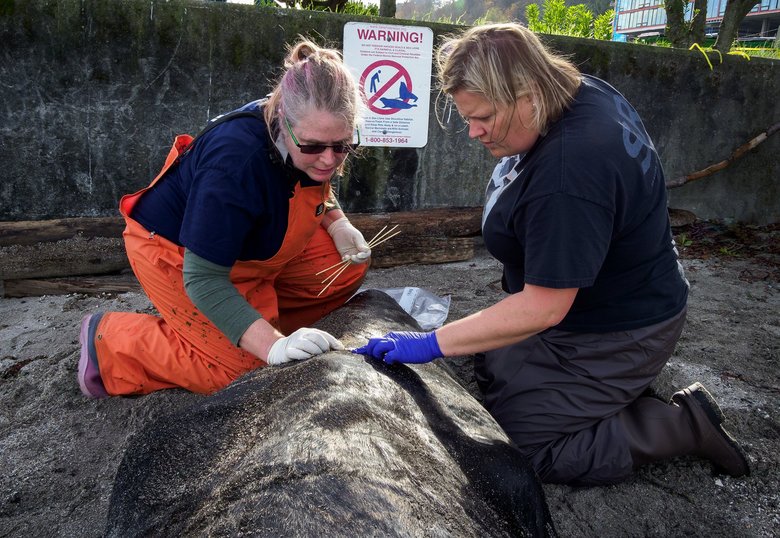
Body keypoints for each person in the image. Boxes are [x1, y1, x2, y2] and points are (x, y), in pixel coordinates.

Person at [355, 23, 750, 485]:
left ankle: (682, 425)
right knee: (493, 369)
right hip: (609, 294)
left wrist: (430, 343)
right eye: (467, 117)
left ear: (528, 95)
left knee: (522, 446)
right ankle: (603, 391)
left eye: (484, 117)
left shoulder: (569, 174)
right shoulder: (579, 92)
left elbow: (544, 307)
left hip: (620, 328)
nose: (473, 132)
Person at [78, 38, 371, 398]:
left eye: (343, 146)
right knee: (247, 371)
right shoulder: (235, 163)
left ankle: (249, 324)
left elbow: (315, 180)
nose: (328, 159)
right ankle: (113, 343)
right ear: (282, 119)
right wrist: (271, 346)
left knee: (343, 267)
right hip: (177, 253)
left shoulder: (308, 132)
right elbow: (203, 279)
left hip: (251, 248)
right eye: (313, 147)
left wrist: (337, 221)